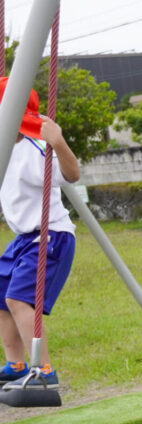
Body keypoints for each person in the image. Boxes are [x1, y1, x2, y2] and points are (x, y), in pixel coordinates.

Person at [0, 77, 80, 390]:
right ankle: (16, 365)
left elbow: (72, 174)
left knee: (18, 299)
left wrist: (58, 142)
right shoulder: (3, 148)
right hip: (23, 238)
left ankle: (44, 370)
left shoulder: (36, 147)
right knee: (1, 298)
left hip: (51, 235)